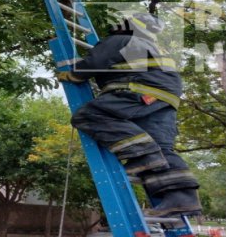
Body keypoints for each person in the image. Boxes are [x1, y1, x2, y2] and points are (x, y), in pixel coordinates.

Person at [57, 13, 201, 217]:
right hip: (165, 99)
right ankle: (182, 200)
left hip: (141, 90)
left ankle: (144, 157)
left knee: (90, 115)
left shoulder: (121, 40)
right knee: (162, 149)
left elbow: (94, 62)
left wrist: (71, 75)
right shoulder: (157, 48)